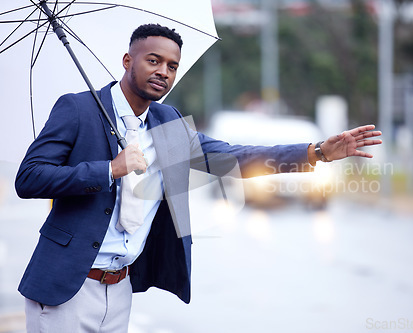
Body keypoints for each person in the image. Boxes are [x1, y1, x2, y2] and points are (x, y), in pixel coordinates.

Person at [15, 23, 382, 332]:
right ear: (128, 61)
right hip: (68, 288)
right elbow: (29, 177)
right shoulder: (78, 109)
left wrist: (316, 152)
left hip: (122, 287)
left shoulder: (168, 123)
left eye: (172, 66)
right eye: (153, 60)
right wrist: (110, 169)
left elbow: (236, 156)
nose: (163, 71)